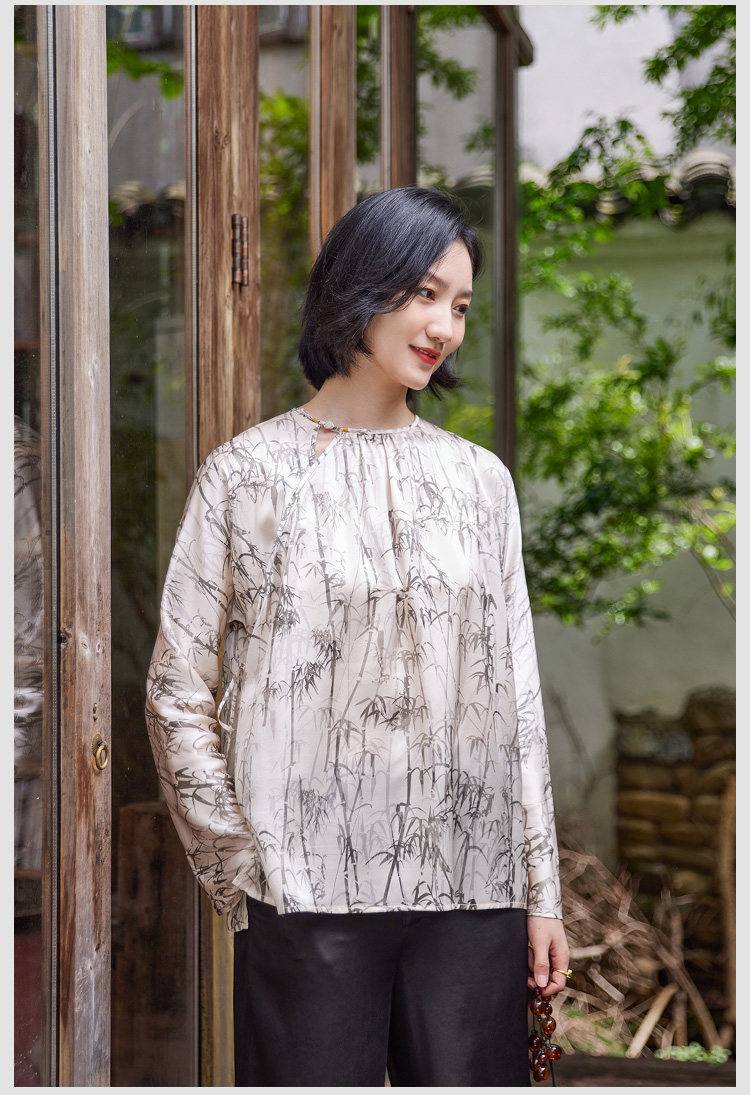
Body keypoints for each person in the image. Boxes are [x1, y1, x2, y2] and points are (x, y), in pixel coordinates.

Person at [145, 186, 570, 1086]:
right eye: (423, 293)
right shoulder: (246, 475)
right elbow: (176, 688)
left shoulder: (480, 482)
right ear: (359, 286)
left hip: (475, 891)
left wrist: (542, 892)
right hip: (307, 890)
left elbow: (517, 697)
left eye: (460, 305)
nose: (444, 326)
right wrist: (241, 864)